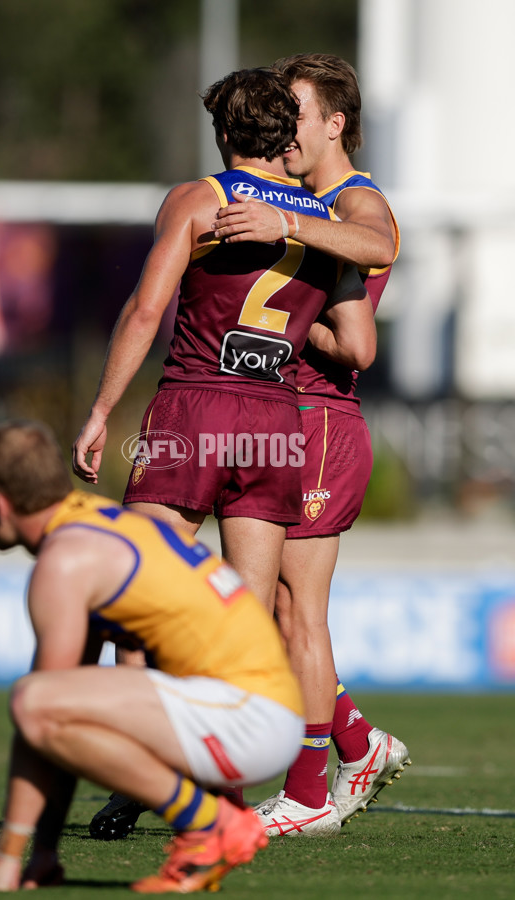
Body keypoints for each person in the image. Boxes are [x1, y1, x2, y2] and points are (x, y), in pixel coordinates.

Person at [72, 66, 371, 615]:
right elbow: (360, 344)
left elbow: (144, 313)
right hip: (276, 424)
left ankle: (145, 701)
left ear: (225, 133)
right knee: (250, 621)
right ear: (286, 136)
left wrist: (100, 409)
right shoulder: (323, 221)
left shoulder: (197, 200)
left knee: (139, 594)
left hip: (194, 405)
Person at [0, 419, 306, 893]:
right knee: (47, 706)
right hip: (263, 710)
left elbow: (41, 709)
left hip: (249, 718)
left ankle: (211, 824)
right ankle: (206, 827)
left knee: (34, 700)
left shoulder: (67, 559)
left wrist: (7, 857)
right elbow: (56, 729)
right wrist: (42, 854)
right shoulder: (94, 524)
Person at [212, 53, 410, 835]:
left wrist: (285, 228)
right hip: (280, 416)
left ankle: (308, 792)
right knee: (277, 609)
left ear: (334, 122)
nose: (285, 128)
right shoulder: (299, 199)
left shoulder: (353, 199)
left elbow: (379, 248)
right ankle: (356, 741)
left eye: (297, 111)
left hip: (323, 421)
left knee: (298, 614)